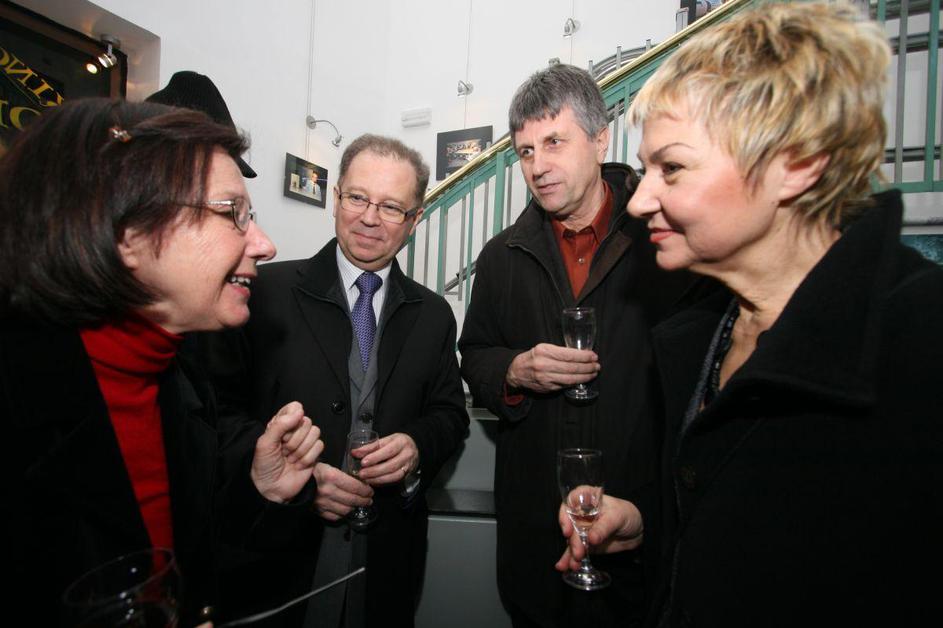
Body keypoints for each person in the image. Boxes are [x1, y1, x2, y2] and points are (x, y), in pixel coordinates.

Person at [557, 3, 943, 626]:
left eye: (672, 168)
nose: (640, 200)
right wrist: (649, 523)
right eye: (646, 169)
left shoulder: (922, 340)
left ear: (797, 164)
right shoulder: (699, 337)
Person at [0, 98, 324, 625]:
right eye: (232, 213)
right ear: (127, 233)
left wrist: (260, 490)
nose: (265, 246)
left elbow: (189, 556)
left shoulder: (180, 374)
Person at [458, 64, 696, 628]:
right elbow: (476, 356)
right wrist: (513, 371)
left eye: (554, 142)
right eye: (525, 151)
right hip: (536, 542)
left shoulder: (666, 239)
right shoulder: (500, 257)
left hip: (642, 536)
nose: (537, 166)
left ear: (600, 138)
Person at [202, 133, 469, 627]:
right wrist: (300, 483)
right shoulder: (263, 293)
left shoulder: (433, 315)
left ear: (415, 219)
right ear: (336, 198)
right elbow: (215, 415)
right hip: (279, 557)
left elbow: (450, 415)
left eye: (391, 207)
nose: (369, 218)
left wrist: (416, 445)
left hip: (387, 556)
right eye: (358, 198)